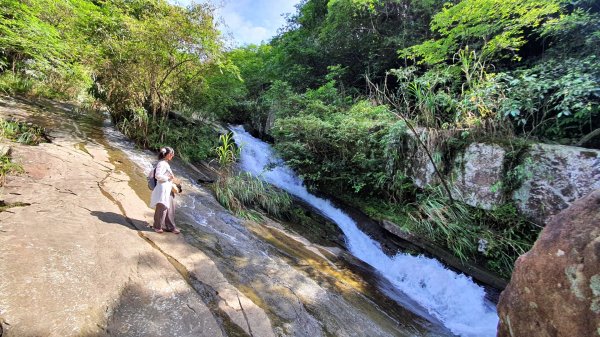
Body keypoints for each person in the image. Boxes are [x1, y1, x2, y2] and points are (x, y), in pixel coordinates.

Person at [149, 147, 180, 234]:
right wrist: (168, 177)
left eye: (172, 154)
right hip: (163, 188)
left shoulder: (165, 163)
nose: (172, 155)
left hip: (168, 188)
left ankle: (170, 227)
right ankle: (157, 226)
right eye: (171, 154)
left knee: (170, 207)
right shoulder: (162, 163)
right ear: (165, 154)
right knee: (162, 207)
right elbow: (157, 176)